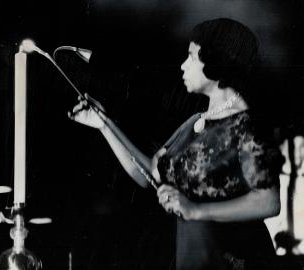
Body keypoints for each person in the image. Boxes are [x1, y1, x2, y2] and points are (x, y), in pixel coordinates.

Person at [69, 18, 283, 270]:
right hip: (190, 252)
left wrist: (195, 210)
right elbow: (149, 174)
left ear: (215, 61)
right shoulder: (195, 121)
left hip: (229, 258)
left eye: (191, 57)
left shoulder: (246, 124)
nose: (183, 66)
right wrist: (104, 124)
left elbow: (268, 201)